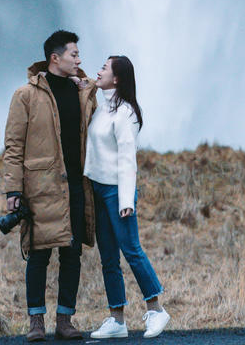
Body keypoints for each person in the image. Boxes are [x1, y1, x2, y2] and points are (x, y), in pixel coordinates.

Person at [3, 30, 98, 342]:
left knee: (72, 254)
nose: (79, 60)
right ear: (55, 58)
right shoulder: (26, 95)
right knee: (39, 254)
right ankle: (36, 322)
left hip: (76, 185)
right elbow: (13, 147)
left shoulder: (82, 92)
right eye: (74, 54)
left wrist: (88, 89)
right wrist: (13, 190)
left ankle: (65, 321)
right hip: (40, 186)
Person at [84, 56, 170, 340]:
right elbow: (88, 84)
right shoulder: (103, 107)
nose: (99, 71)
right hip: (98, 189)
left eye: (104, 68)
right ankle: (117, 319)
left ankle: (156, 310)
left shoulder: (126, 113)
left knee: (131, 251)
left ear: (117, 78)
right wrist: (83, 83)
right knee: (108, 257)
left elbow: (126, 160)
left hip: (116, 192)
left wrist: (126, 202)